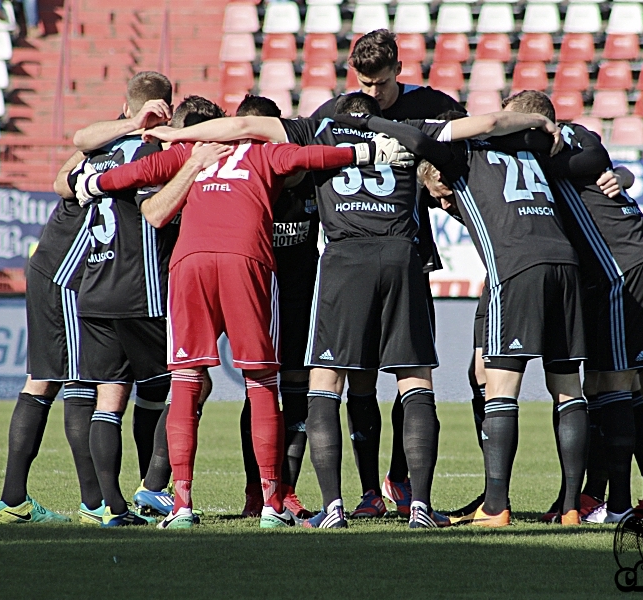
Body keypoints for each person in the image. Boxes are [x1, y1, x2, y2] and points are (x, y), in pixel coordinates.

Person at [74, 94, 408, 529]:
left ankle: (182, 507)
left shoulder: (190, 150)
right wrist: (367, 151)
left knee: (187, 382)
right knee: (262, 383)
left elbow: (134, 174)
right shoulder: (267, 151)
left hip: (189, 264)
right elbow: (317, 155)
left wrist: (90, 185)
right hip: (245, 260)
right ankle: (271, 505)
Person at [363, 111, 589, 527]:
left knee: (500, 388)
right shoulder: (525, 148)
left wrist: (367, 120)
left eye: (440, 195)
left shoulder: (460, 155)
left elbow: (416, 137)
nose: (444, 204)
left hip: (516, 269)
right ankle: (571, 506)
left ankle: (496, 507)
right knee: (568, 389)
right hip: (567, 266)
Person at [510, 91, 643, 523]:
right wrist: (624, 174)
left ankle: (615, 507)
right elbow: (597, 157)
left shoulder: (542, 154)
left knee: (612, 386)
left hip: (623, 271)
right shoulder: (582, 139)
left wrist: (622, 173)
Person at [311, 29, 467, 518]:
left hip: (403, 251)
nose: (372, 92)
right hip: (377, 253)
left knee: (404, 376)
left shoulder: (433, 106)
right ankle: (368, 495)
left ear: (398, 69)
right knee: (365, 381)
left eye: (379, 83)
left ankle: (401, 487)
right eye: (363, 82)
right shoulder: (336, 111)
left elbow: (459, 155)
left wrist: (433, 173)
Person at [67, 71, 179, 527]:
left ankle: (111, 508)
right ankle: (154, 488)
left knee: (109, 399)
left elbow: (72, 161)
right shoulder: (157, 151)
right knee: (186, 385)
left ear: (128, 105)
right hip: (142, 288)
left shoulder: (98, 153)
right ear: (167, 106)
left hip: (94, 288)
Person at [0, 151, 99, 525]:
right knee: (81, 379)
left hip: (50, 269)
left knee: (42, 380)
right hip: (65, 279)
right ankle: (95, 504)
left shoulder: (97, 149)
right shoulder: (125, 155)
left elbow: (64, 175)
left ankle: (14, 501)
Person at [232, 95, 317, 521]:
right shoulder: (234, 176)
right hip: (255, 294)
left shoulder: (307, 171)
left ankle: (288, 490)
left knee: (298, 394)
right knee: (260, 391)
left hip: (302, 295)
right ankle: (257, 488)